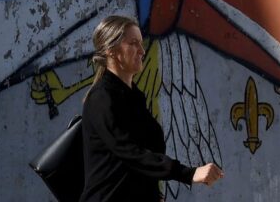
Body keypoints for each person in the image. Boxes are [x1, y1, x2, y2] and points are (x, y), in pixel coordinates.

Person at [80, 15, 223, 202]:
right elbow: (131, 153)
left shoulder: (133, 96)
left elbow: (140, 159)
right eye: (133, 44)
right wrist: (188, 173)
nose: (142, 50)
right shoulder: (101, 99)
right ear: (111, 51)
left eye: (141, 43)